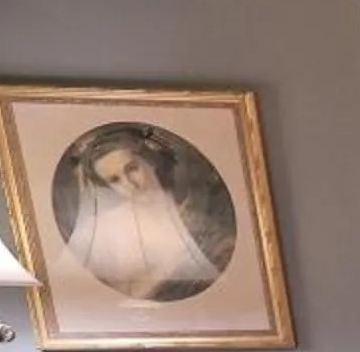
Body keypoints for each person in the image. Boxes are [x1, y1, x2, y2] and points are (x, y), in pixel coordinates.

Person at [53, 124, 237, 304]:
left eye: (132, 168)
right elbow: (73, 293)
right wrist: (170, 266)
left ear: (150, 161)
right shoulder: (102, 227)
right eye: (115, 180)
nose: (130, 184)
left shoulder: (196, 211)